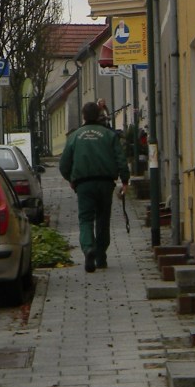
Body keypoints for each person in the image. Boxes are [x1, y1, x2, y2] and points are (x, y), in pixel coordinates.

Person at [59, 101, 130, 273]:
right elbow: (121, 159)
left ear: (83, 116)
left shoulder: (74, 136)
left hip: (84, 184)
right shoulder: (109, 135)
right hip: (106, 183)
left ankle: (88, 248)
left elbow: (64, 165)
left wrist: (71, 179)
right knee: (103, 220)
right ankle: (101, 256)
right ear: (99, 114)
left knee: (85, 219)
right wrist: (125, 181)